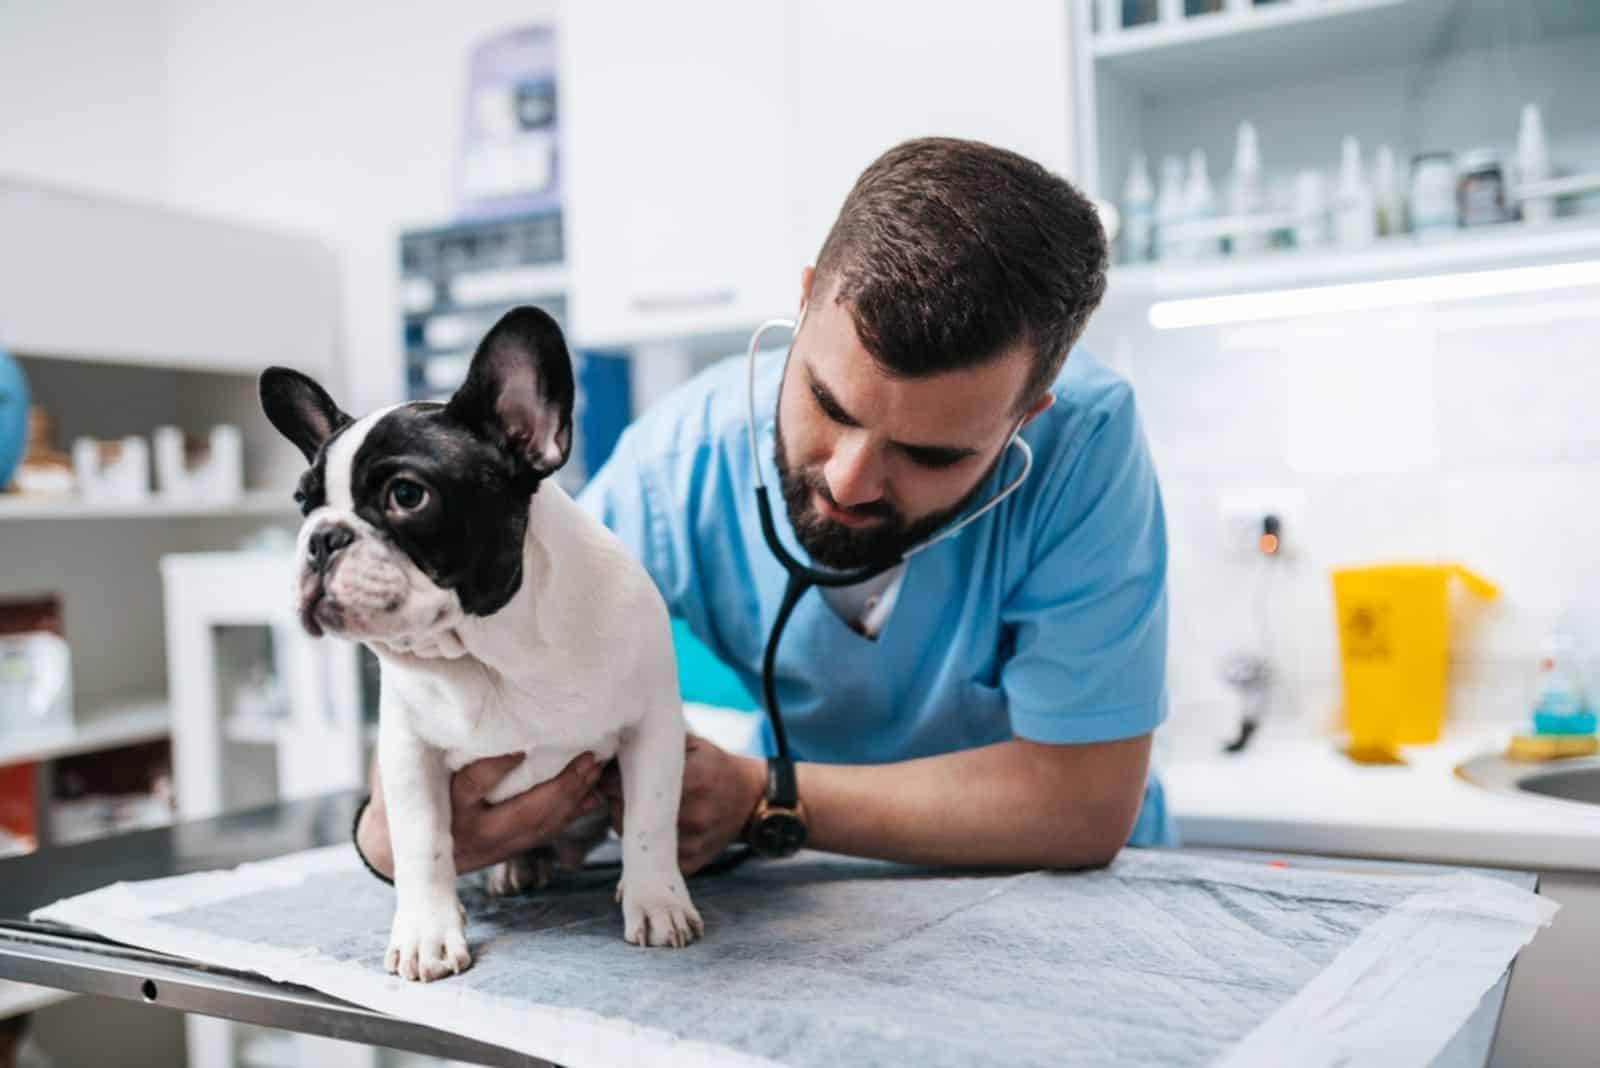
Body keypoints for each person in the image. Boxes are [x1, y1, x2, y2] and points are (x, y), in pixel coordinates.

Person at [355, 136, 1174, 883]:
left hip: (1060, 903)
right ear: (808, 302)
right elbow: (469, 634)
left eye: (931, 455)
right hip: (808, 898)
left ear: (1026, 418)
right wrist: (413, 818)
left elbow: (1083, 802)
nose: (851, 481)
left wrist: (763, 796)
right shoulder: (675, 469)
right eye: (827, 403)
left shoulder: (1086, 445)